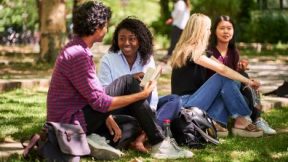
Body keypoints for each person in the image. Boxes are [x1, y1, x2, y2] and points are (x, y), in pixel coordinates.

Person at [46, 1, 193, 160]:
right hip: (69, 122)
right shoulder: (79, 55)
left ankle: (94, 139)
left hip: (76, 115)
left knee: (132, 114)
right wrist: (141, 95)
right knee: (129, 84)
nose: (107, 29)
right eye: (106, 25)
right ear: (98, 27)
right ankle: (158, 143)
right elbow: (100, 102)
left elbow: (92, 94)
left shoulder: (76, 49)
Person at [170, 13, 263, 138]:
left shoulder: (201, 52)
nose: (209, 33)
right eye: (208, 29)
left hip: (196, 101)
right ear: (200, 31)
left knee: (230, 84)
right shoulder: (191, 51)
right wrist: (248, 81)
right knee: (222, 77)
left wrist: (244, 79)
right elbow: (222, 70)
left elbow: (226, 69)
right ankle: (241, 120)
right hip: (185, 104)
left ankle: (215, 122)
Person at [98, 17, 182, 152]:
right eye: (122, 38)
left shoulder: (147, 58)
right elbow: (104, 92)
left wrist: (150, 112)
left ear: (140, 40)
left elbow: (152, 92)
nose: (126, 43)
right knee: (136, 88)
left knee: (175, 100)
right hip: (121, 108)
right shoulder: (108, 59)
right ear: (116, 39)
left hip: (144, 106)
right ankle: (150, 134)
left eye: (131, 38)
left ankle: (141, 138)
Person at [207, 15, 276, 135]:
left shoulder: (233, 52)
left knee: (246, 79)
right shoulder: (209, 51)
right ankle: (251, 119)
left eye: (229, 28)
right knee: (244, 78)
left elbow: (234, 76)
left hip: (232, 93)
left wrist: (240, 69)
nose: (226, 31)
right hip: (215, 93)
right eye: (222, 28)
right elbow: (221, 74)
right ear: (214, 31)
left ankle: (256, 119)